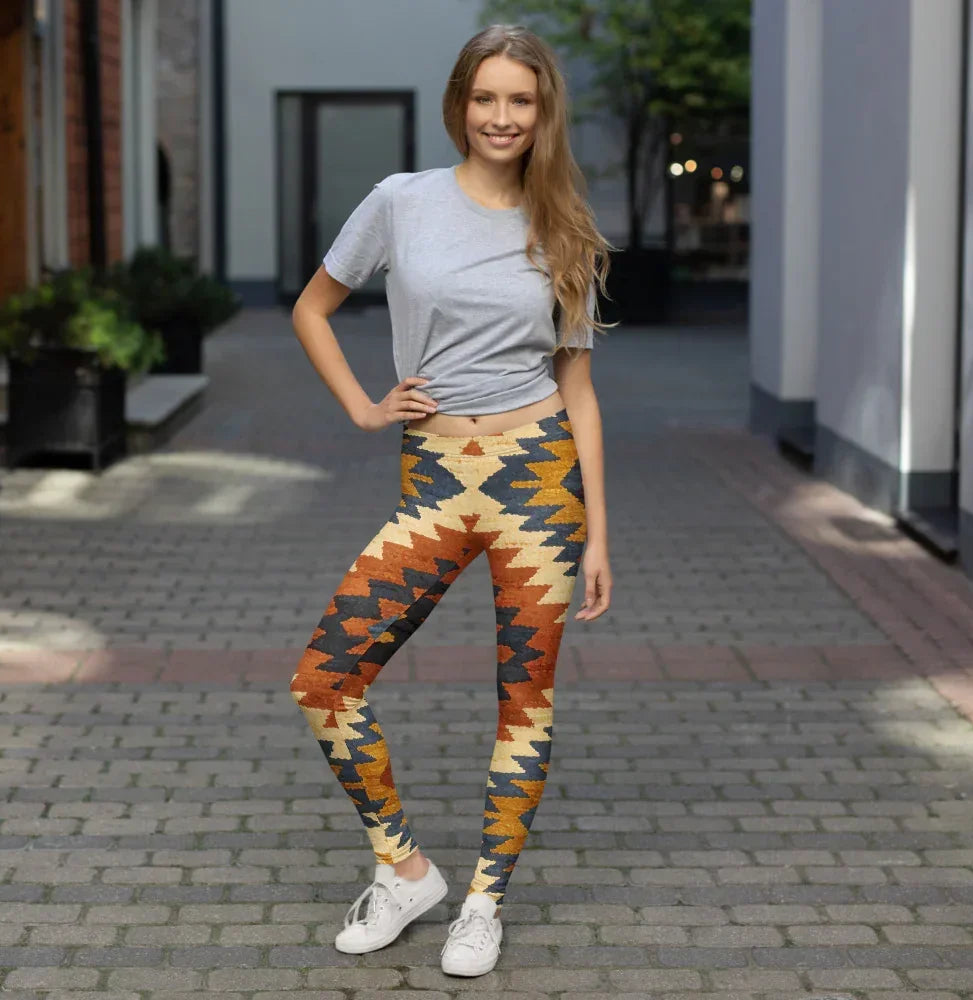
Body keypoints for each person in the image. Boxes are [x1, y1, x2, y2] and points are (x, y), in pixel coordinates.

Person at [288, 23, 614, 978]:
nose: (502, 117)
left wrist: (599, 533)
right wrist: (363, 405)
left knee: (525, 697)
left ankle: (484, 901)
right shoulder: (402, 202)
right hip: (433, 479)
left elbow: (581, 390)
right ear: (460, 103)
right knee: (324, 678)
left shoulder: (566, 227)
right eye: (486, 98)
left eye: (521, 100)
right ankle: (406, 870)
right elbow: (314, 306)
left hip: (539, 481)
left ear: (543, 110)